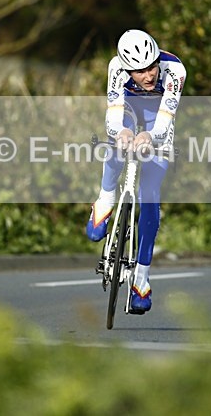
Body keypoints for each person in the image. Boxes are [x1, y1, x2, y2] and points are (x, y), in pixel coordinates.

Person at [86, 29, 186, 314]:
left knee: (150, 195)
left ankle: (141, 278)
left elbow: (166, 119)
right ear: (127, 69)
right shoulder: (116, 68)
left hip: (158, 116)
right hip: (128, 109)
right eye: (139, 71)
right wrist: (123, 132)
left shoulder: (175, 69)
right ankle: (105, 200)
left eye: (151, 65)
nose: (149, 75)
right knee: (117, 144)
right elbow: (113, 113)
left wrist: (150, 138)